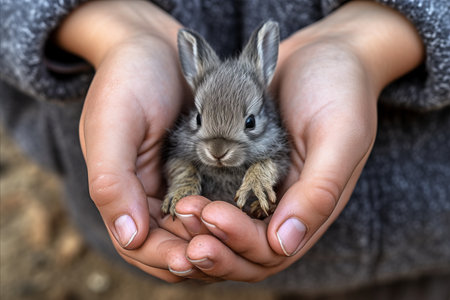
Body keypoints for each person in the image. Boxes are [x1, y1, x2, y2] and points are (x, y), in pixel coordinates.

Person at [1, 0, 449, 295]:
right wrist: (110, 26)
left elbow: (273, 159)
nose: (215, 147)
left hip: (415, 238)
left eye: (248, 124)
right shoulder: (190, 138)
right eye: (201, 124)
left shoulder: (273, 142)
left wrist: (370, 40)